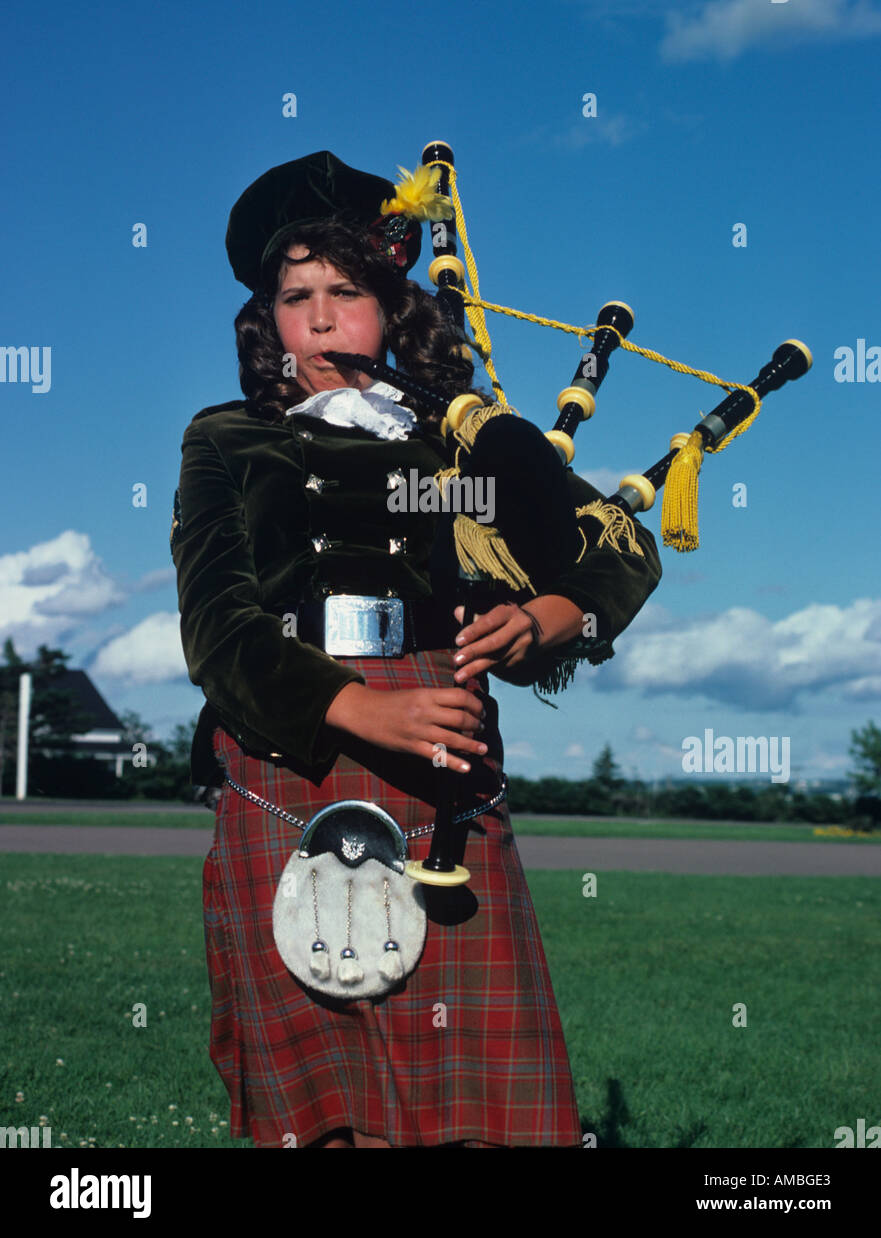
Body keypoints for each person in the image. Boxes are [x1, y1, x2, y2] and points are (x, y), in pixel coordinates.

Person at [171, 150, 662, 1148]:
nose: (316, 318)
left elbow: (616, 546)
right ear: (264, 319)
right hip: (289, 745)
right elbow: (217, 628)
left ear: (392, 309)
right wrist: (355, 707)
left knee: (478, 1094)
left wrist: (549, 615)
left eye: (345, 292)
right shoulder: (225, 440)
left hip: (444, 750)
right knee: (323, 1097)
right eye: (294, 294)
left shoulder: (460, 444)